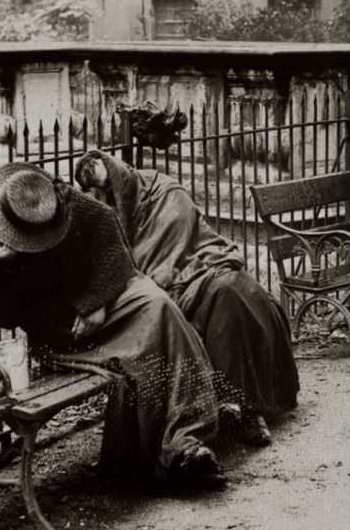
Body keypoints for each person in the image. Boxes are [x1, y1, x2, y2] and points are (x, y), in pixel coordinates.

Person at [0, 162, 226, 491]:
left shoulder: (66, 203)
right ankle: (166, 453)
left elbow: (110, 236)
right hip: (60, 336)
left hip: (101, 314)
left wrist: (98, 299)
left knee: (161, 309)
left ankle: (188, 440)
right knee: (144, 351)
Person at [74, 151, 299, 447]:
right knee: (211, 299)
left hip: (195, 264)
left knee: (232, 289)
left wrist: (163, 269)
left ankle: (245, 407)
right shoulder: (101, 216)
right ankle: (226, 409)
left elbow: (179, 241)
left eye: (107, 190)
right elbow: (111, 265)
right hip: (153, 290)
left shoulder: (163, 189)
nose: (103, 199)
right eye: (94, 193)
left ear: (120, 180)